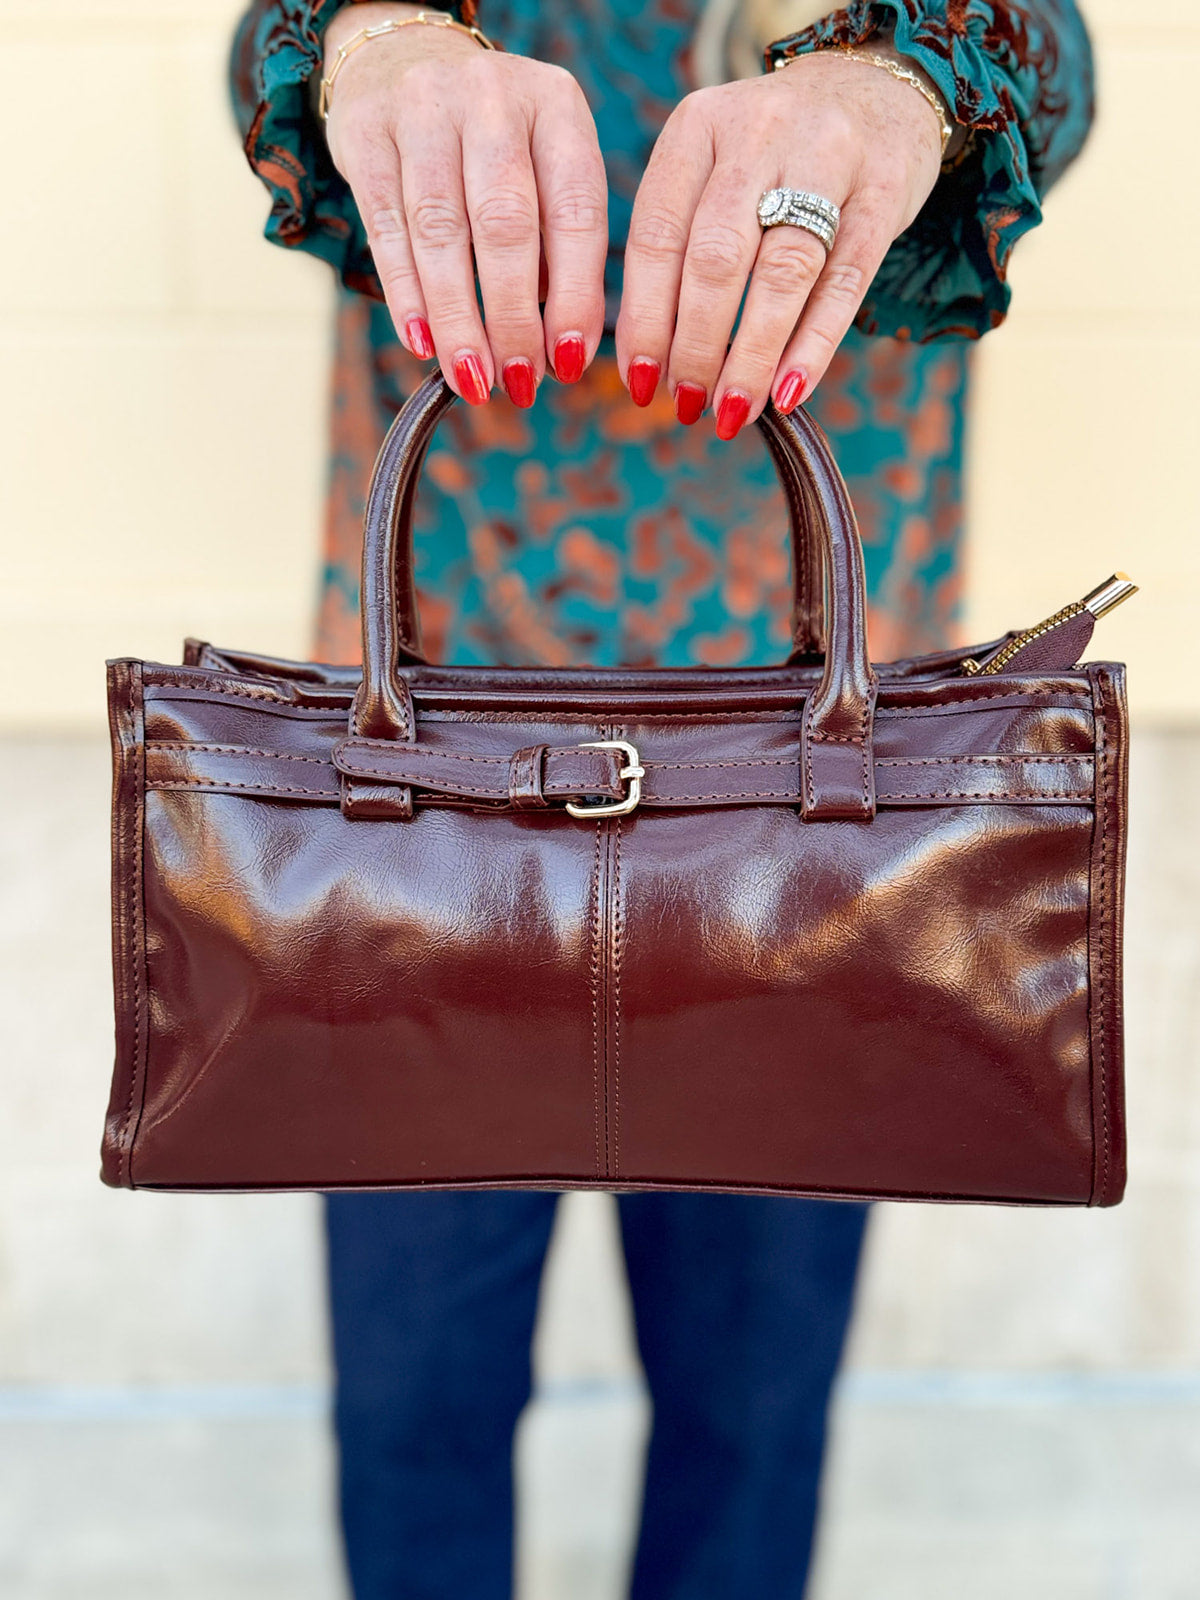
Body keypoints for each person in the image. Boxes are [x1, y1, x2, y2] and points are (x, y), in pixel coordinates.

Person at [231, 3, 1094, 1595]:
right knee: (415, 1407)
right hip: (418, 813)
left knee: (750, 1422)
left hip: (818, 833)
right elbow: (275, 48)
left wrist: (896, 83)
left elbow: (1048, 57)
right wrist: (376, 46)